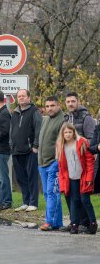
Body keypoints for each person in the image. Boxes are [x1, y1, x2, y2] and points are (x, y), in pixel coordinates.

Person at [63, 92, 96, 232]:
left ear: (78, 101)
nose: (70, 104)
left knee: (83, 197)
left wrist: (79, 143)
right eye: (68, 101)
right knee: (71, 196)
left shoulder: (86, 117)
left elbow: (92, 139)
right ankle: (75, 222)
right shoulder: (66, 118)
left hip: (84, 162)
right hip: (70, 163)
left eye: (73, 101)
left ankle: (87, 222)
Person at [57, 123, 97, 234]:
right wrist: (62, 181)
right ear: (62, 134)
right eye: (65, 132)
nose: (68, 134)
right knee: (73, 200)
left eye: (70, 132)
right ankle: (74, 224)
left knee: (85, 200)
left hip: (83, 177)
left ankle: (93, 223)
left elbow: (89, 161)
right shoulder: (61, 145)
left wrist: (89, 177)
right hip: (71, 178)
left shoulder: (81, 143)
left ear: (74, 132)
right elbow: (61, 167)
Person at [10, 89, 42, 212]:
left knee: (31, 177)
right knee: (20, 177)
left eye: (23, 96)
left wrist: (35, 146)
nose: (21, 98)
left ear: (29, 98)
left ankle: (33, 202)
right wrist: (11, 145)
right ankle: (25, 201)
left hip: (30, 150)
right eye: (19, 96)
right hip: (16, 150)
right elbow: (11, 131)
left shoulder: (34, 112)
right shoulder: (15, 113)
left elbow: (39, 129)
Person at [37, 96, 65, 231]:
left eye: (52, 105)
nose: (50, 108)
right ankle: (57, 222)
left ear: (58, 106)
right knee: (48, 194)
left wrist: (58, 160)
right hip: (42, 162)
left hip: (54, 162)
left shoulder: (62, 120)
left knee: (52, 192)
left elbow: (63, 141)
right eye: (47, 106)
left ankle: (49, 221)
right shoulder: (46, 119)